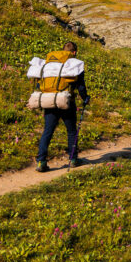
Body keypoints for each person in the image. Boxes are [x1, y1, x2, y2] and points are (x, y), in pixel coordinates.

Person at [35, 41, 89, 172]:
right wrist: (85, 98)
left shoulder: (50, 64)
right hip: (66, 100)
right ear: (74, 52)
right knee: (71, 130)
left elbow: (39, 84)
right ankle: (73, 159)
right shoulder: (74, 64)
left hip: (50, 100)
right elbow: (80, 85)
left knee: (48, 130)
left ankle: (41, 162)